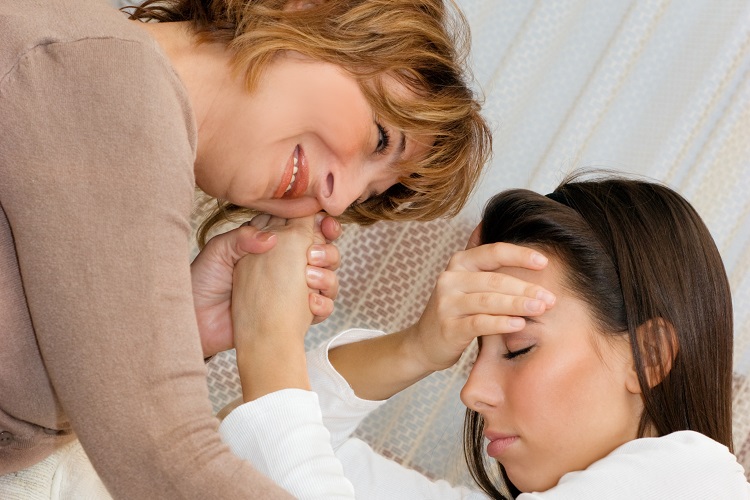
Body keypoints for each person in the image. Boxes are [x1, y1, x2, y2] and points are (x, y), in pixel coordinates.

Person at [0, 0, 491, 498]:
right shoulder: (112, 80)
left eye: (364, 196)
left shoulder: (120, 94)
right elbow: (168, 459)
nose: (337, 198)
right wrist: (269, 338)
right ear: (310, 11)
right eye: (381, 138)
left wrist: (181, 330)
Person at [221, 174, 750, 498]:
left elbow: (276, 449)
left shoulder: (693, 481)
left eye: (518, 349)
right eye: (478, 350)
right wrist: (417, 347)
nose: (472, 392)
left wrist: (268, 340)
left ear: (649, 357)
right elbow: (245, 462)